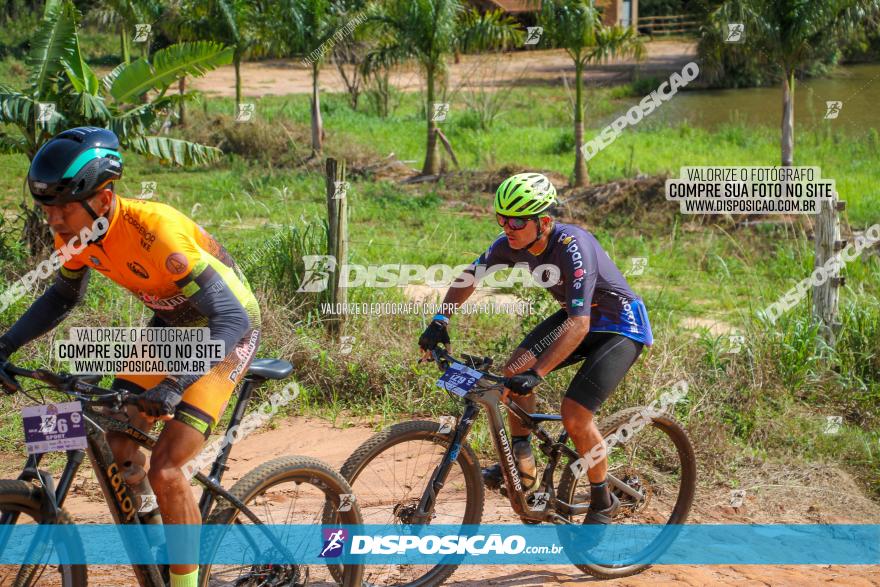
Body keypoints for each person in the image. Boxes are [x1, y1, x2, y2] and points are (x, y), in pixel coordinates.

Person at [0, 127, 261, 587]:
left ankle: (184, 581)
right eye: (47, 208)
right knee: (120, 448)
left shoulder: (155, 232)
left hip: (226, 332)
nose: (54, 219)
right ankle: (163, 541)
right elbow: (61, 296)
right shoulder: (76, 233)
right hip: (170, 329)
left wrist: (176, 384)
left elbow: (231, 320)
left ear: (102, 200)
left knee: (165, 466)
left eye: (63, 207)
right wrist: (4, 345)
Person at [418, 172, 652, 525]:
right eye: (501, 218)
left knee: (575, 414)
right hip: (577, 318)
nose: (507, 227)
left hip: (619, 325)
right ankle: (523, 462)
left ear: (543, 222)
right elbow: (471, 276)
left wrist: (538, 372)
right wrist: (440, 319)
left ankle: (602, 501)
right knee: (510, 375)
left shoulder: (573, 246)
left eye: (515, 221)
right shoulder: (510, 245)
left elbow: (579, 324)